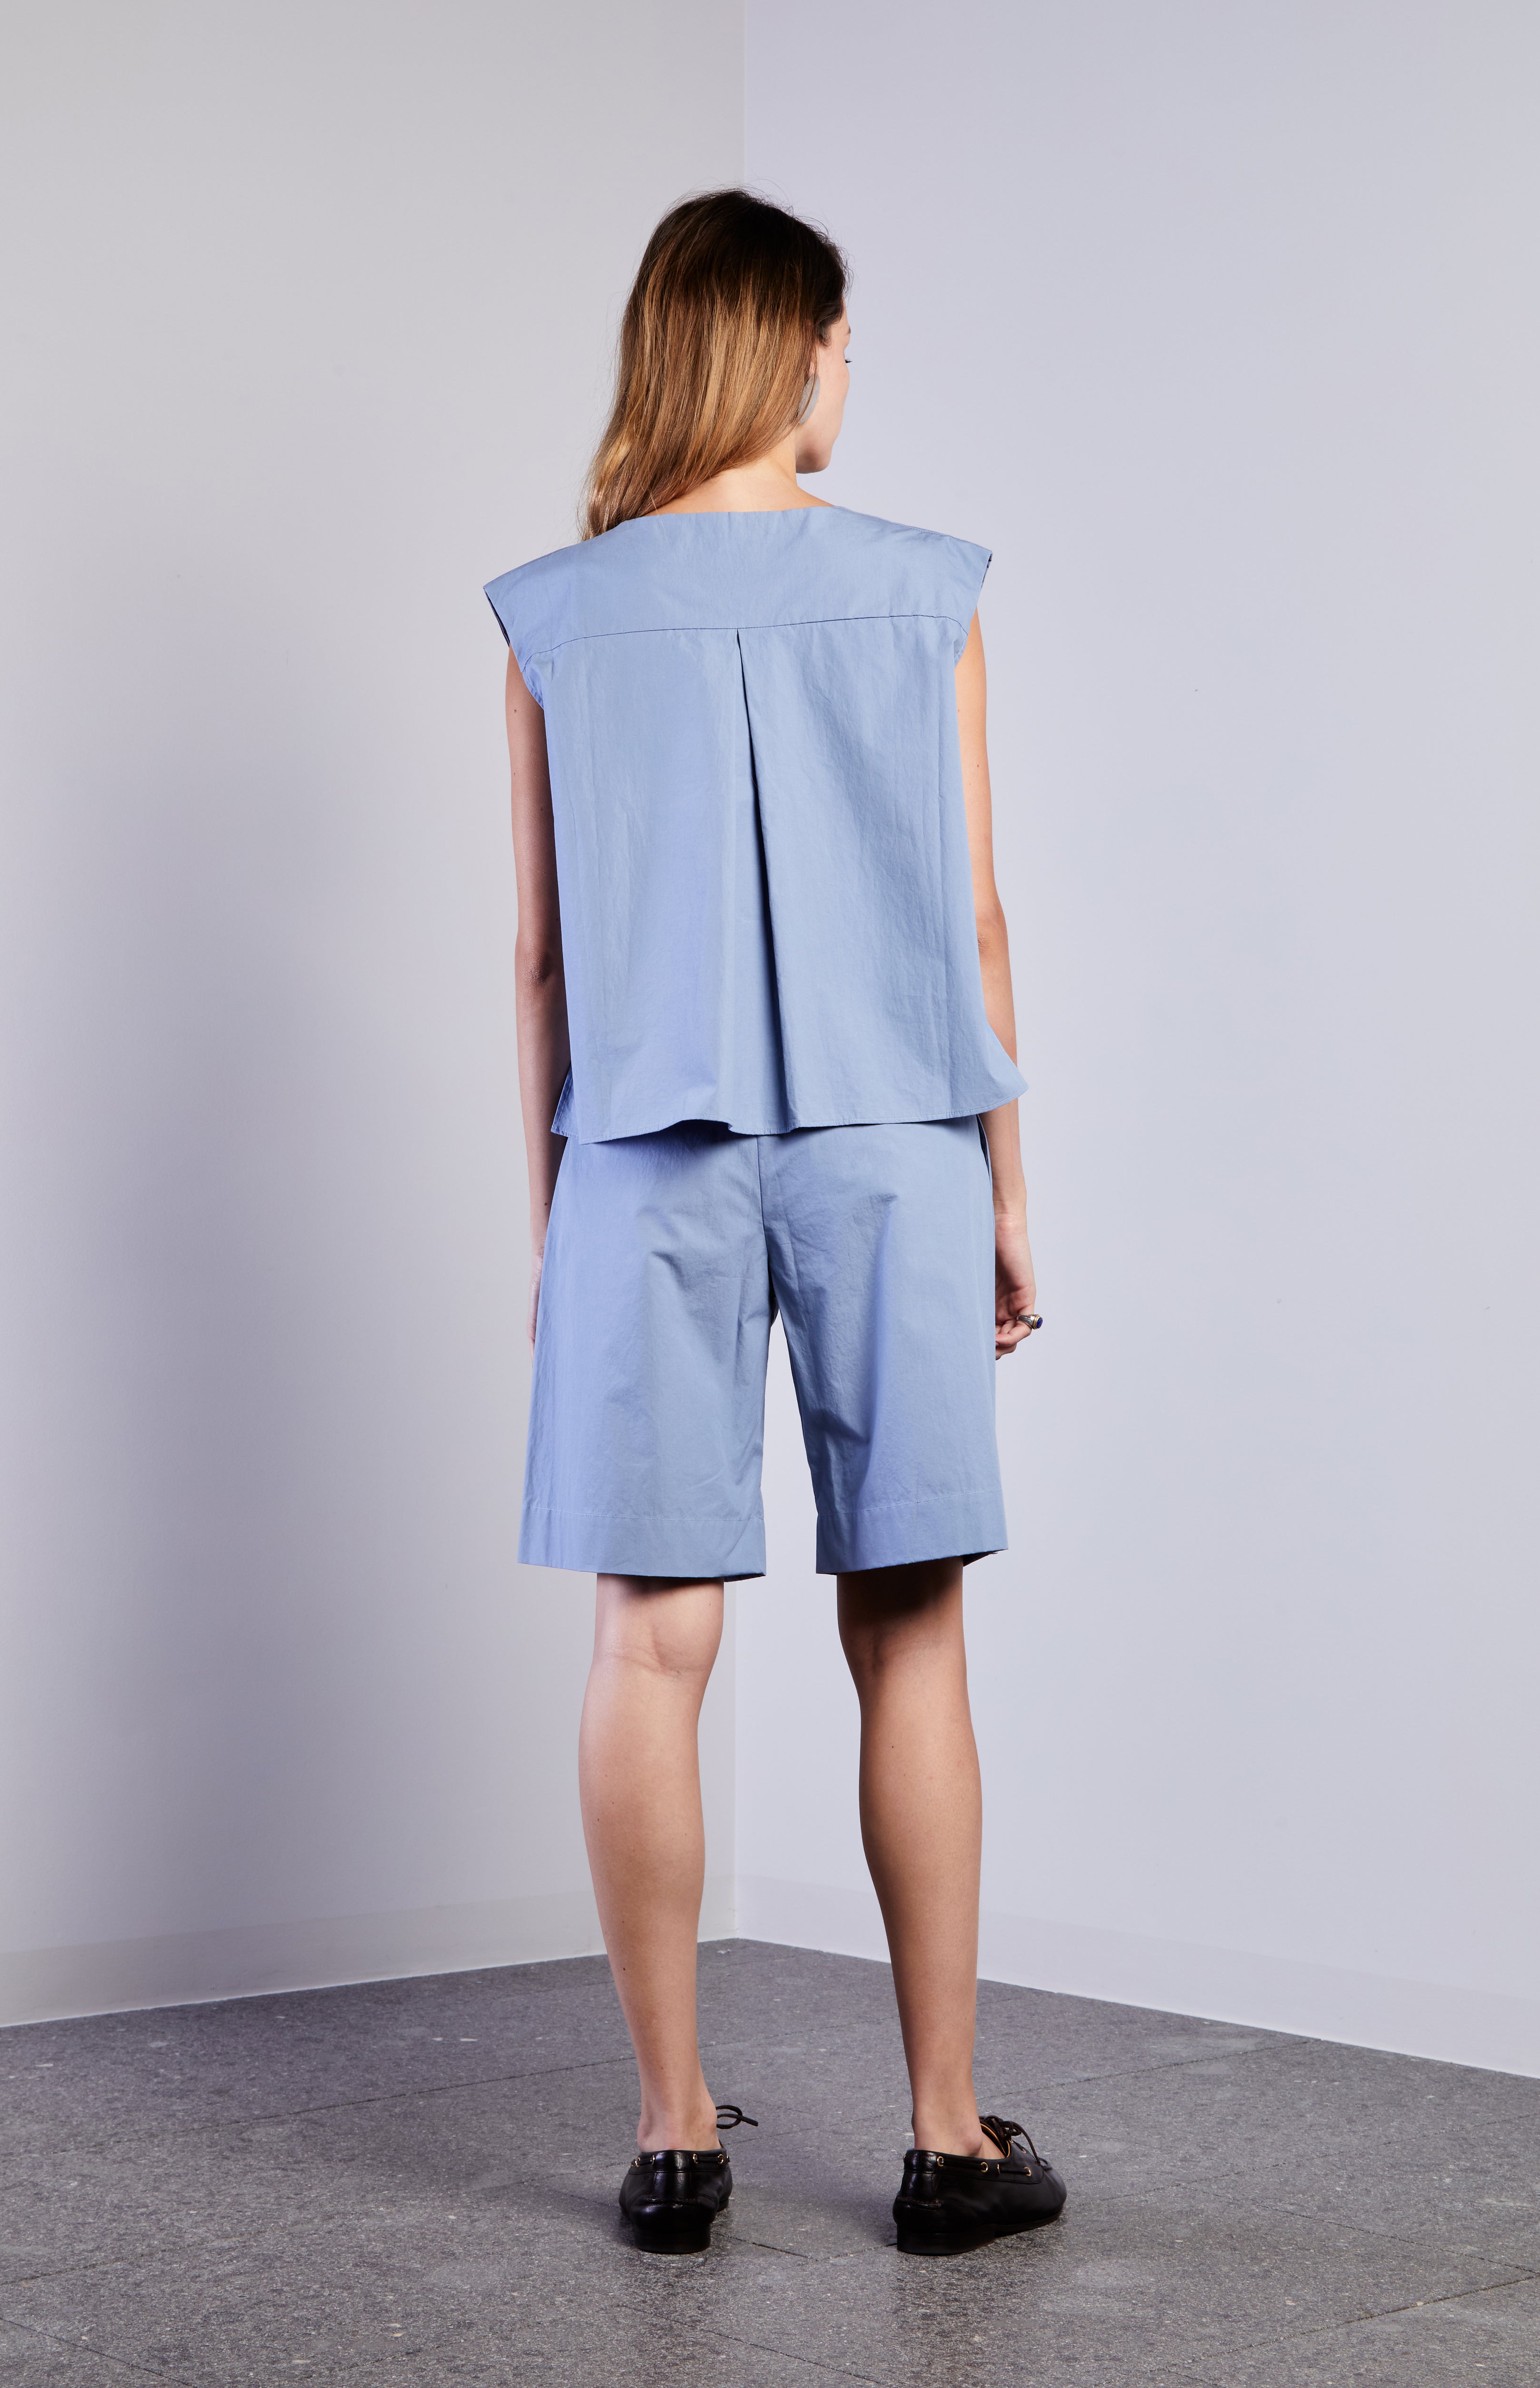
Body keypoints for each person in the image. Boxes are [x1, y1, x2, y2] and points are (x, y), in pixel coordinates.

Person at [486, 189, 1065, 2259]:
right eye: (840, 340)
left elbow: (542, 962)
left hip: (644, 1154)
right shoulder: (925, 589)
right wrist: (1009, 1188)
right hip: (896, 1138)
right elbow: (974, 917)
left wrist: (554, 1224)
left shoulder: (559, 611)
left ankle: (674, 2140)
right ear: (795, 347)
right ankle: (946, 2143)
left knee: (649, 1642)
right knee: (908, 1624)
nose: (848, 373)